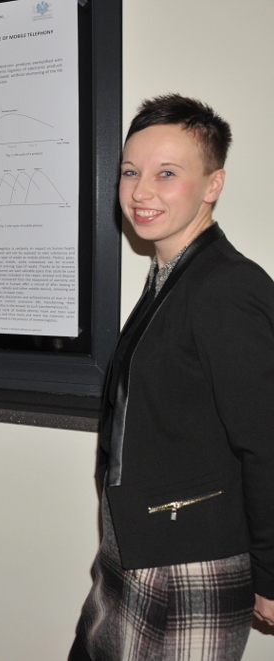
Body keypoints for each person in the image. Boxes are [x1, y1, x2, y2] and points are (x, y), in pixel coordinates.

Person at [69, 94, 274, 661]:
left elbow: (266, 441)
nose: (140, 191)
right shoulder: (171, 274)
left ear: (213, 184)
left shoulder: (228, 288)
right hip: (138, 543)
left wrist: (271, 573)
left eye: (166, 173)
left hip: (190, 560)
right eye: (130, 172)